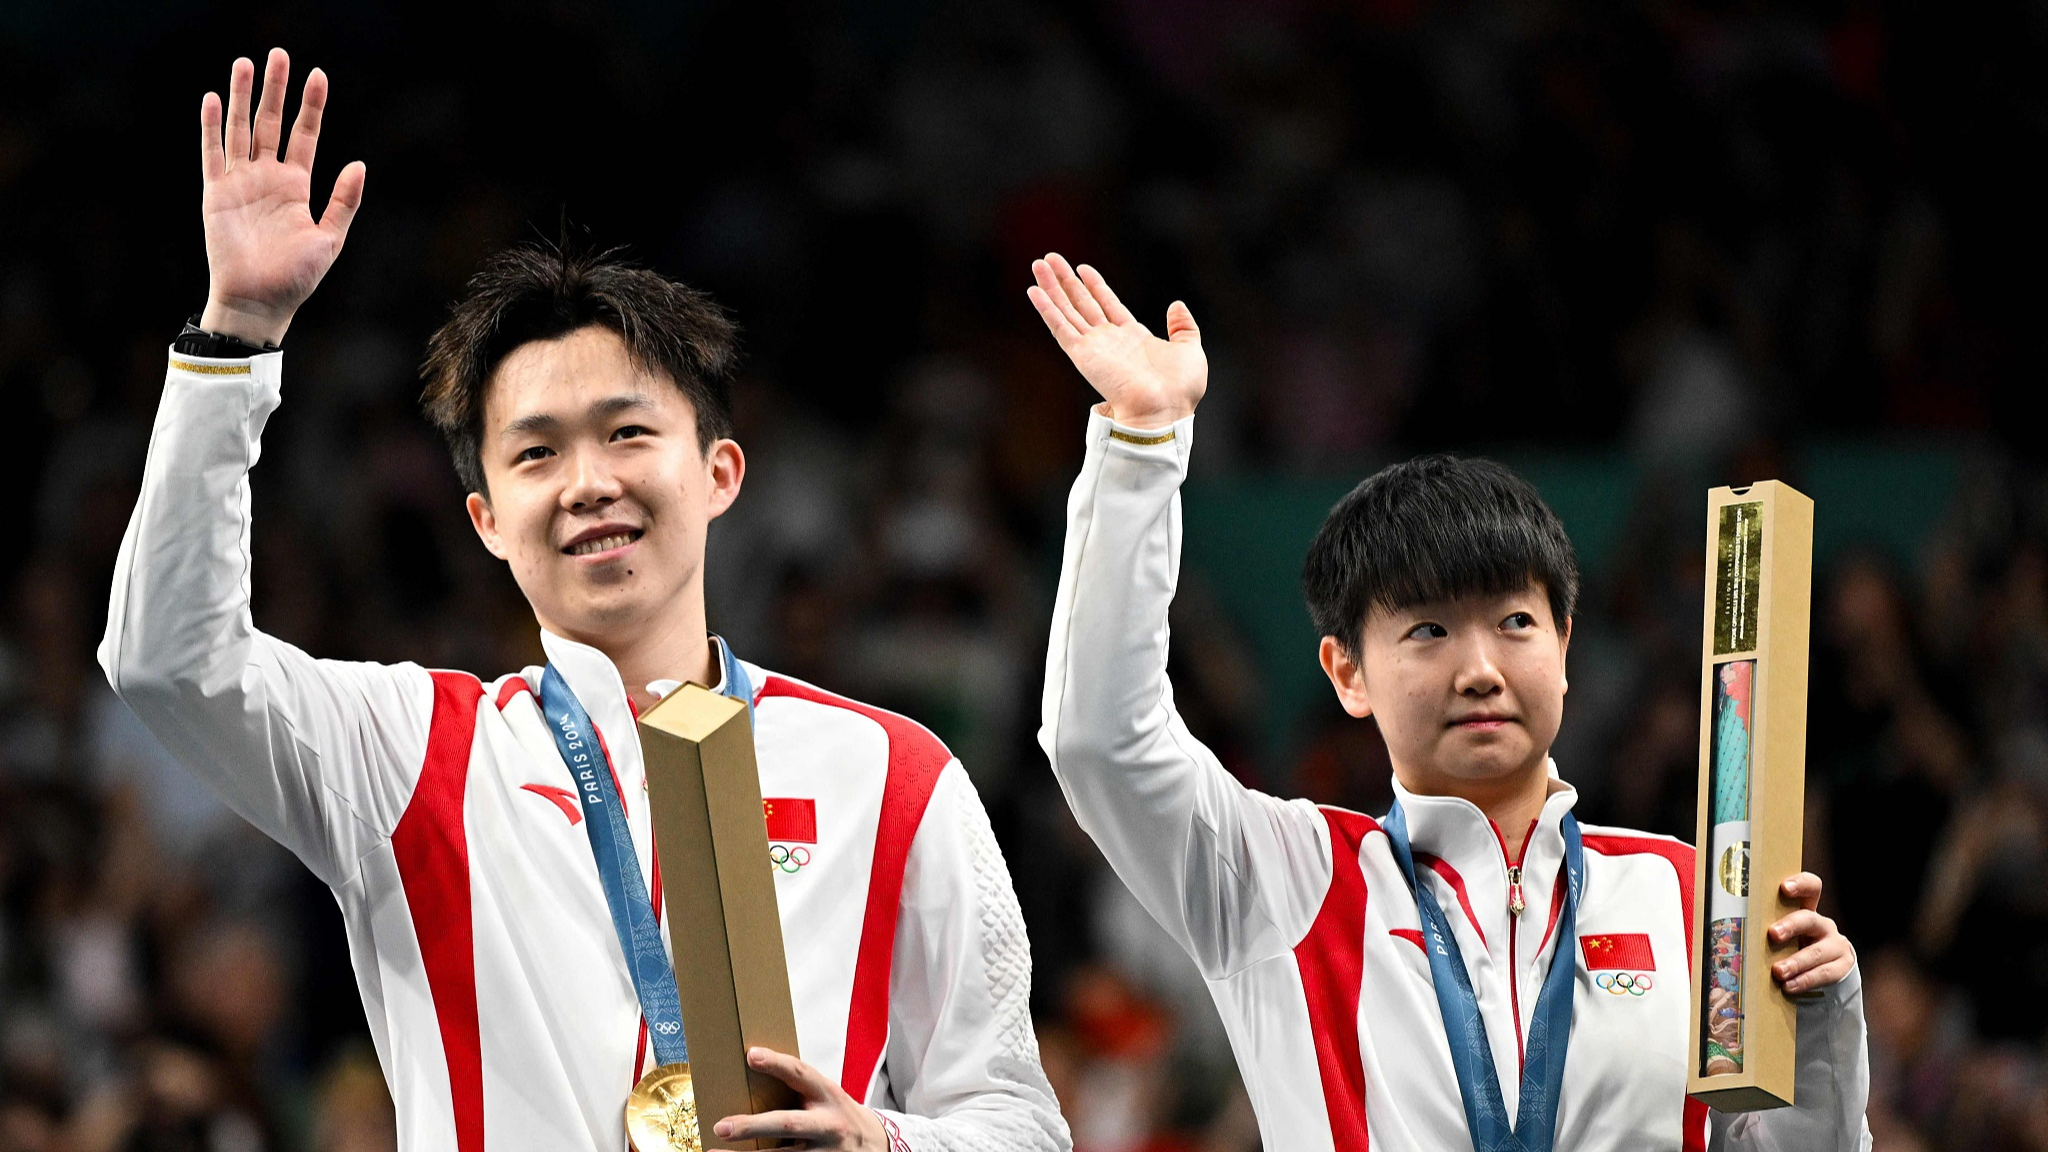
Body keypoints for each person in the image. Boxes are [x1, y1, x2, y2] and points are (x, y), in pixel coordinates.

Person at [100, 49, 1068, 1152]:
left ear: (719, 472)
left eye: (626, 432)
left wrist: (881, 1144)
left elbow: (1017, 1124)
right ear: (487, 523)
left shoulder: (892, 776)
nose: (588, 482)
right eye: (534, 453)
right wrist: (234, 337)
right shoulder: (408, 758)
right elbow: (165, 661)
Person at [1027, 252, 1869, 1151]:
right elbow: (1100, 741)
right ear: (1346, 673)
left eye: (1514, 622)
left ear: (1565, 646)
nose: (1480, 669)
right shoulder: (1283, 884)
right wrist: (1142, 446)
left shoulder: (1692, 896)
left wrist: (1818, 1034)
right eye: (1428, 631)